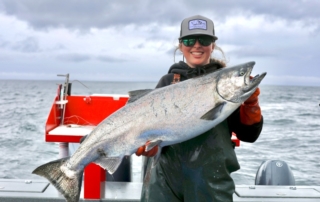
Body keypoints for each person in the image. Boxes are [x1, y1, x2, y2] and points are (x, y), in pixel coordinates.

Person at [135, 15, 263, 202]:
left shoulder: (227, 84)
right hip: (165, 180)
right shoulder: (167, 82)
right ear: (181, 46)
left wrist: (251, 105)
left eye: (204, 40)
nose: (196, 45)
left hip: (211, 182)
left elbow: (249, 135)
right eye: (189, 40)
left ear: (212, 45)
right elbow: (148, 128)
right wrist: (148, 144)